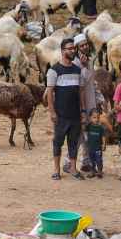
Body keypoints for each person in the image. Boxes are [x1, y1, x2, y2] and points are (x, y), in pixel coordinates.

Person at [46, 38, 86, 181]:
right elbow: (50, 92)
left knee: (73, 142)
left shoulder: (78, 70)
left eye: (73, 48)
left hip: (75, 114)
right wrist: (52, 112)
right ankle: (56, 170)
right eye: (69, 49)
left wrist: (83, 111)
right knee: (58, 142)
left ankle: (73, 168)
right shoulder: (54, 70)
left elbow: (81, 92)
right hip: (60, 115)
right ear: (62, 51)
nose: (72, 51)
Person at [74, 34, 101, 173]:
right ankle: (69, 161)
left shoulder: (89, 61)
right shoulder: (76, 63)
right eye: (82, 45)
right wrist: (83, 109)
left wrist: (99, 100)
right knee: (79, 133)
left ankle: (86, 161)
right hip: (81, 105)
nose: (85, 47)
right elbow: (81, 85)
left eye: (86, 44)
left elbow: (93, 83)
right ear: (77, 48)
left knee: (89, 133)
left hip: (92, 103)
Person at [84, 109, 105, 178]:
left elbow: (103, 136)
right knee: (91, 160)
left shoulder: (101, 128)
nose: (96, 119)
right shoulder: (89, 126)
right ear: (90, 118)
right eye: (94, 117)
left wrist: (104, 144)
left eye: (98, 117)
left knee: (99, 160)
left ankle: (99, 171)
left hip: (98, 148)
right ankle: (92, 171)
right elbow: (84, 129)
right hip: (90, 148)